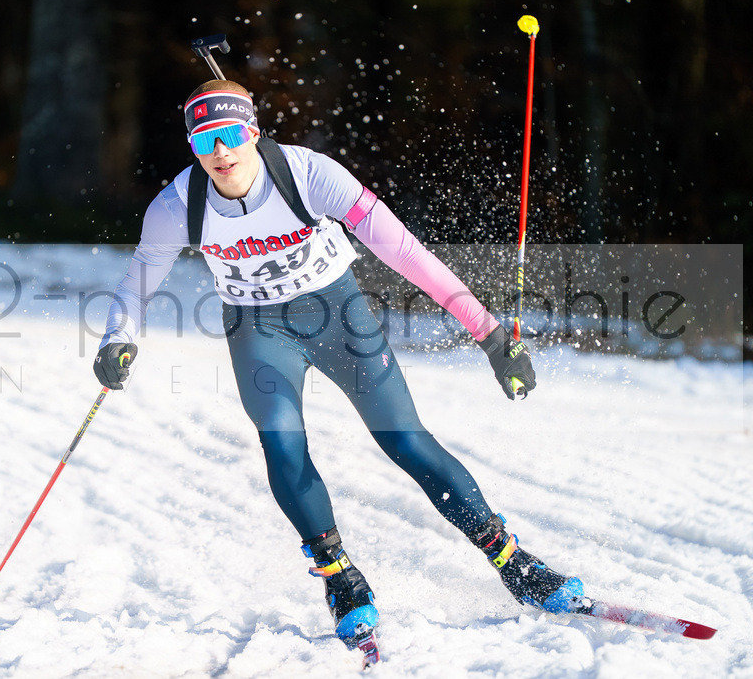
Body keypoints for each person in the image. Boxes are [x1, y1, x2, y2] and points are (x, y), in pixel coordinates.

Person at [93, 79, 584, 649]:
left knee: (405, 439)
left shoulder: (310, 175)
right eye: (205, 141)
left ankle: (513, 562)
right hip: (257, 329)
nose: (220, 153)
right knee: (281, 442)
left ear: (253, 131)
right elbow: (138, 283)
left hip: (337, 313)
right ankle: (340, 577)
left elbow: (403, 251)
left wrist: (492, 336)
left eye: (230, 135)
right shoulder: (177, 206)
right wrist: (116, 340)